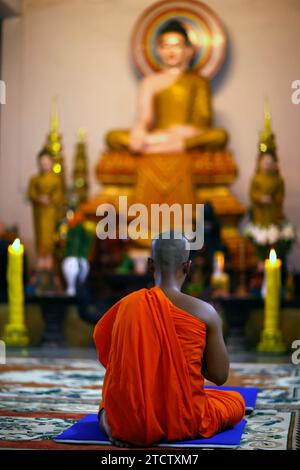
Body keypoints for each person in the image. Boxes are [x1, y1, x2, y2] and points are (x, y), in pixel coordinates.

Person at [93, 232, 245, 447]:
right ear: (187, 266)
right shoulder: (206, 312)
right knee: (235, 401)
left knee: (107, 406)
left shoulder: (128, 306)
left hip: (138, 418)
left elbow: (110, 356)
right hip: (188, 419)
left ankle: (112, 426)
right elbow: (219, 376)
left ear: (150, 265)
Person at [106, 20, 228, 154]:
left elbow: (203, 123)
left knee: (219, 136)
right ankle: (168, 146)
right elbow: (145, 119)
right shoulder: (149, 82)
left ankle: (156, 149)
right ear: (159, 50)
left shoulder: (198, 82)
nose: (171, 51)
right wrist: (139, 132)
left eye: (177, 46)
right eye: (165, 46)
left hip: (186, 135)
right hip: (157, 135)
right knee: (112, 137)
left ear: (189, 51)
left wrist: (177, 133)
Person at [27, 149, 64, 271]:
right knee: (39, 234)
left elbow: (59, 195)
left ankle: (49, 259)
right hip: (39, 211)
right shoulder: (35, 179)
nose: (44, 166)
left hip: (51, 211)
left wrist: (49, 199)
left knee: (49, 236)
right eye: (42, 163)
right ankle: (41, 259)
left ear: (51, 163)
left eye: (46, 163)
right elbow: (30, 193)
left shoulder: (56, 179)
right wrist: (39, 198)